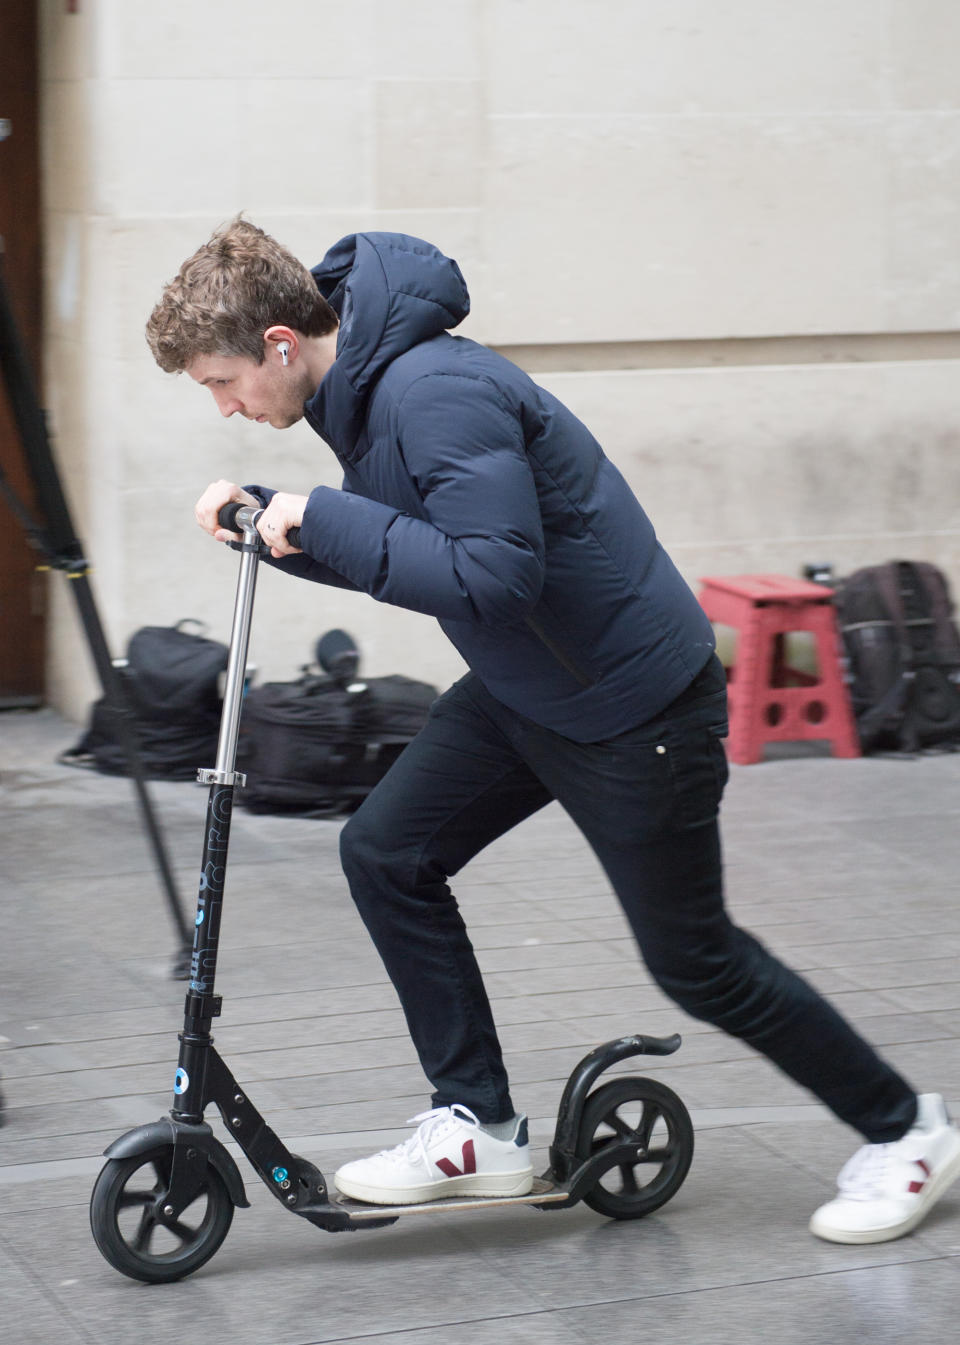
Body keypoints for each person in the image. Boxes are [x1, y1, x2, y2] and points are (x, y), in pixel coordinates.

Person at [147, 217, 960, 1243]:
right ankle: (477, 1122)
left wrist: (323, 516)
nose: (223, 404)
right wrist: (282, 520)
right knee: (386, 850)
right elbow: (422, 546)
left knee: (697, 960)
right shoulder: (362, 389)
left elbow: (495, 571)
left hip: (634, 709)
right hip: (529, 686)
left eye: (220, 381)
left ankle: (908, 1131)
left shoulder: (433, 388)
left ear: (277, 341)